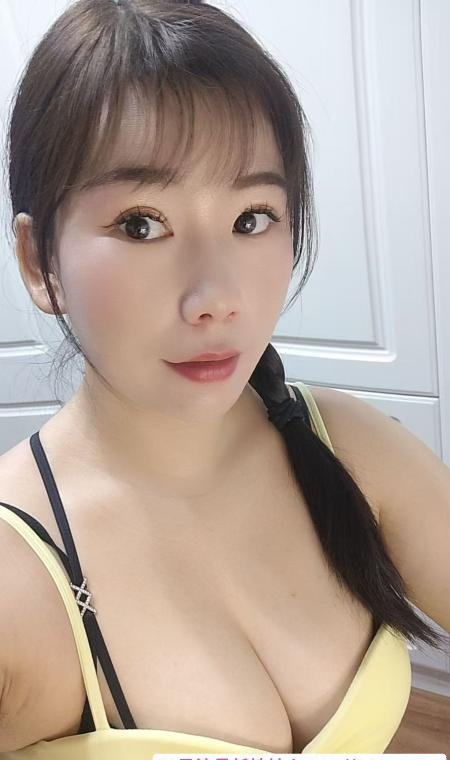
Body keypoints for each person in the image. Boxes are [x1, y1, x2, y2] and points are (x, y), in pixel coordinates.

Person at [0, 0, 448, 756]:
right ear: (40, 262)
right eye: (141, 224)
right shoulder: (18, 580)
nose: (215, 299)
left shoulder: (349, 446)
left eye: (252, 218)